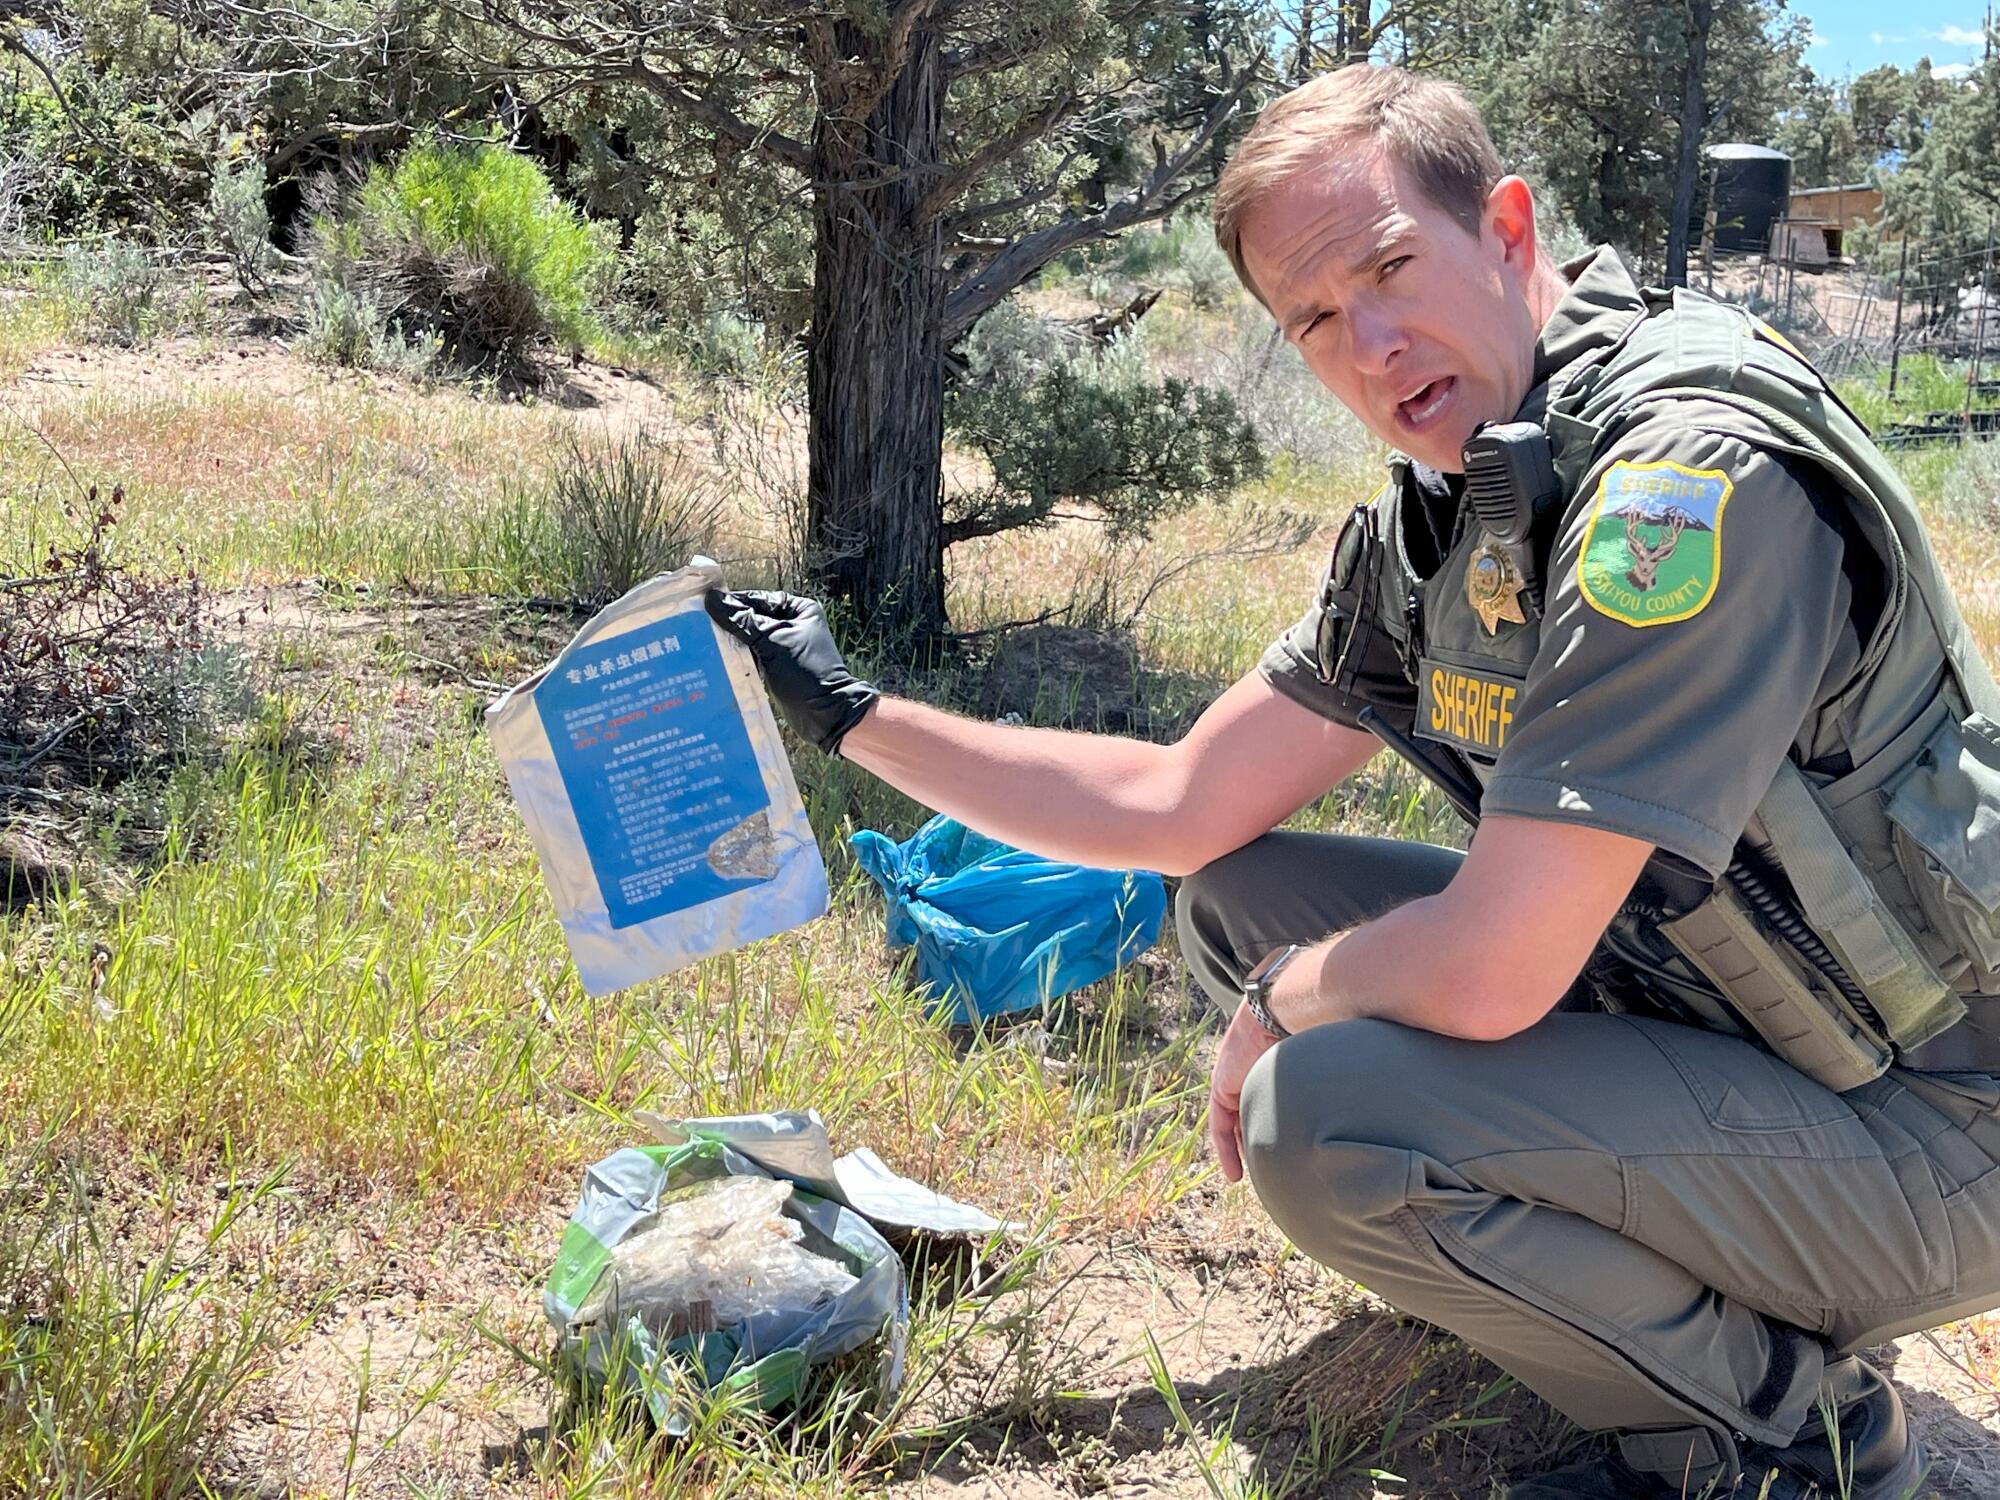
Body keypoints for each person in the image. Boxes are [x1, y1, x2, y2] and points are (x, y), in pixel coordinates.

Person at [707, 63, 2000, 1499]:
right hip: (1747, 1022)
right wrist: (851, 715)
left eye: (1392, 266)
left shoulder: (1682, 484)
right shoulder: (1457, 508)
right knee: (1234, 893)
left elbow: (1500, 967)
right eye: (1316, 317)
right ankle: (1589, 1284)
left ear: (1508, 235)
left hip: (1937, 1120)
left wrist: (1283, 1005)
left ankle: (1787, 1438)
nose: (1373, 343)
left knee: (1322, 1116)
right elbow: (1177, 804)